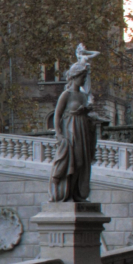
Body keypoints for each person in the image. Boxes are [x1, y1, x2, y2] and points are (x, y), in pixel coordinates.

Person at [49, 48, 100, 203]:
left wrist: (88, 112)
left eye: (84, 77)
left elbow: (88, 115)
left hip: (83, 130)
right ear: (75, 76)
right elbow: (57, 115)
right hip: (71, 131)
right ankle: (67, 194)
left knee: (82, 163)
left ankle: (77, 194)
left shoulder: (84, 96)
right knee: (74, 161)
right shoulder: (66, 95)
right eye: (82, 77)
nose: (83, 80)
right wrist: (59, 134)